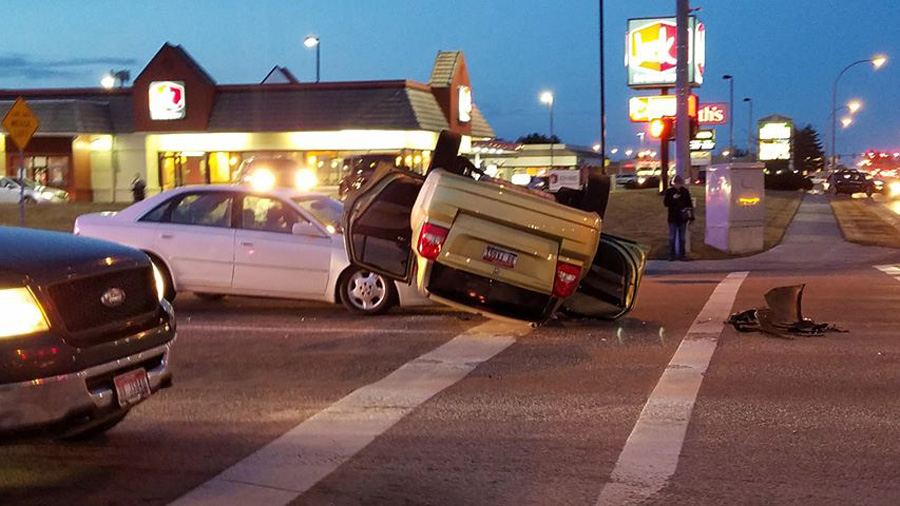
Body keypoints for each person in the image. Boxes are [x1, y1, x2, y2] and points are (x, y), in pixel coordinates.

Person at [663, 175, 694, 261]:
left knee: (682, 238)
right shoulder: (670, 191)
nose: (678, 185)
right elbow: (666, 203)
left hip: (682, 218)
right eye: (676, 183)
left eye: (679, 183)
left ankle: (682, 255)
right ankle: (671, 255)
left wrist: (689, 214)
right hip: (673, 217)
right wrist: (673, 199)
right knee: (672, 237)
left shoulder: (684, 191)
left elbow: (689, 204)